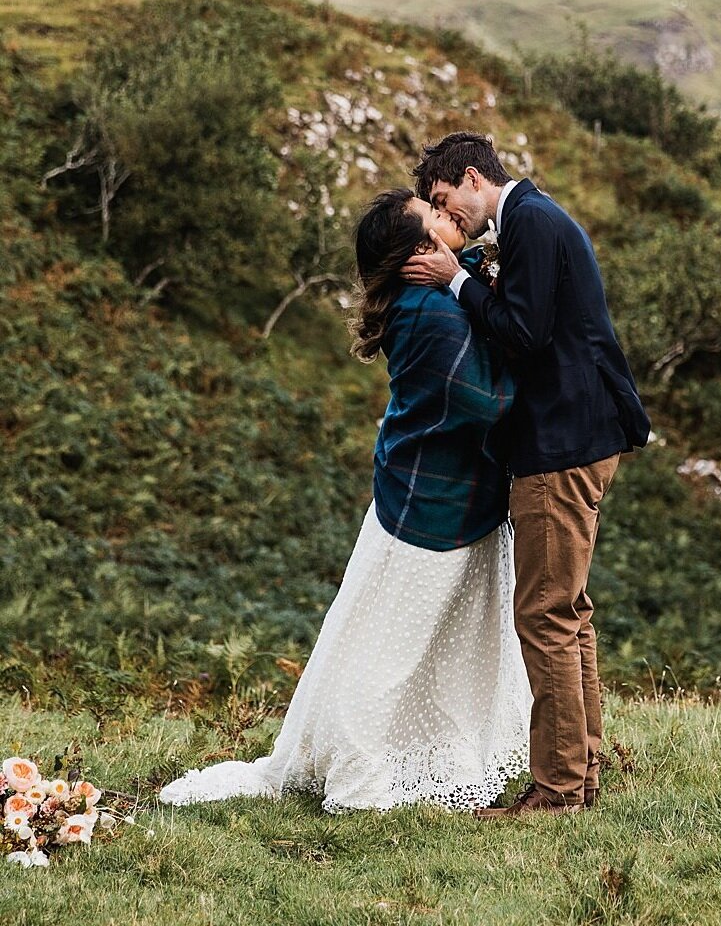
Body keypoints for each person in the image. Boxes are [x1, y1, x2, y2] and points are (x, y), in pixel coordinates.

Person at [159, 189, 531, 813]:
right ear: (420, 253)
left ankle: (433, 760)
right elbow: (491, 401)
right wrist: (548, 359)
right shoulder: (432, 314)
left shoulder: (435, 298)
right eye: (434, 217)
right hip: (433, 510)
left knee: (432, 647)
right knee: (391, 653)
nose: (449, 218)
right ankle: (360, 779)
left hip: (440, 498)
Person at [402, 133, 650, 816]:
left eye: (445, 198)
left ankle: (558, 790)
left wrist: (453, 280)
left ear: (474, 177)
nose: (444, 212)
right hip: (576, 436)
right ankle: (581, 773)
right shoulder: (531, 222)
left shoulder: (533, 222)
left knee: (545, 615)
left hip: (562, 444)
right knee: (568, 614)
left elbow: (523, 333)